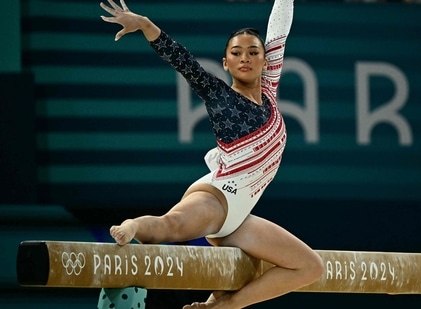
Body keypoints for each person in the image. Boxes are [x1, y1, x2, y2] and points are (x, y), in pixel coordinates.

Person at [99, 0, 324, 308]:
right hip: (216, 198)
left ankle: (223, 306)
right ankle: (134, 225)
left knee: (310, 267)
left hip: (239, 218)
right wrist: (145, 25)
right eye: (236, 53)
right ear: (226, 62)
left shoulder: (269, 89)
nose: (245, 58)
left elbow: (280, 27)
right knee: (172, 227)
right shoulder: (219, 95)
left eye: (253, 52)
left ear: (265, 60)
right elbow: (184, 61)